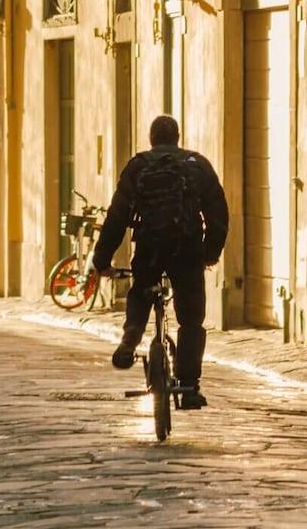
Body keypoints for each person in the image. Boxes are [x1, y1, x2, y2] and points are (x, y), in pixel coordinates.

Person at [92, 114, 228, 410]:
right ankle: (189, 388)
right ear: (177, 137)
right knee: (191, 319)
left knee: (142, 290)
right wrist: (209, 252)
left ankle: (131, 336)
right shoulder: (197, 165)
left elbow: (117, 218)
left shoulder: (138, 166)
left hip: (150, 248)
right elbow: (218, 213)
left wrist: (102, 259)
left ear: (152, 138)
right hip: (186, 249)